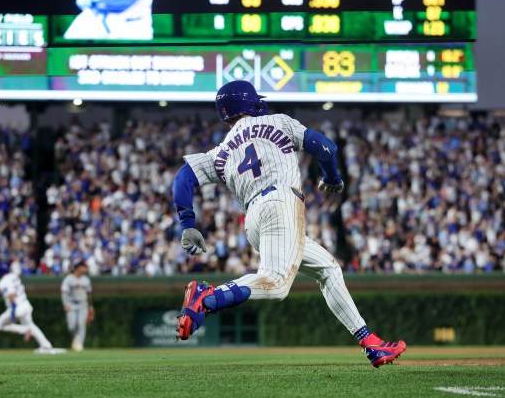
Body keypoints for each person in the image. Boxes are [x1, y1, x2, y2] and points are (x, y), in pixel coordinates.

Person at [173, 80, 406, 368]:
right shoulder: (277, 121)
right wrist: (332, 178)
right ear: (250, 102)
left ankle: (371, 342)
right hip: (280, 202)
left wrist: (187, 222)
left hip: (255, 221)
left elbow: (183, 177)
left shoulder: (220, 152)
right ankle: (208, 297)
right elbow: (327, 148)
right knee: (276, 283)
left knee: (328, 269)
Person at [0, 261, 65, 354]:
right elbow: (9, 289)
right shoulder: (14, 276)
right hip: (25, 304)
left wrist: (13, 312)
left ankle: (25, 330)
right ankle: (46, 346)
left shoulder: (3, 281)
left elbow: (11, 294)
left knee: (0, 325)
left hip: (16, 307)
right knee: (32, 326)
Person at [61, 261, 94, 352]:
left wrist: (91, 307)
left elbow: (89, 294)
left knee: (81, 324)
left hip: (83, 304)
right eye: (83, 266)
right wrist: (65, 304)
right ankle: (76, 339)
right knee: (71, 326)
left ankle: (79, 344)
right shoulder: (68, 279)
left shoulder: (86, 280)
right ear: (78, 267)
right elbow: (64, 293)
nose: (85, 268)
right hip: (71, 303)